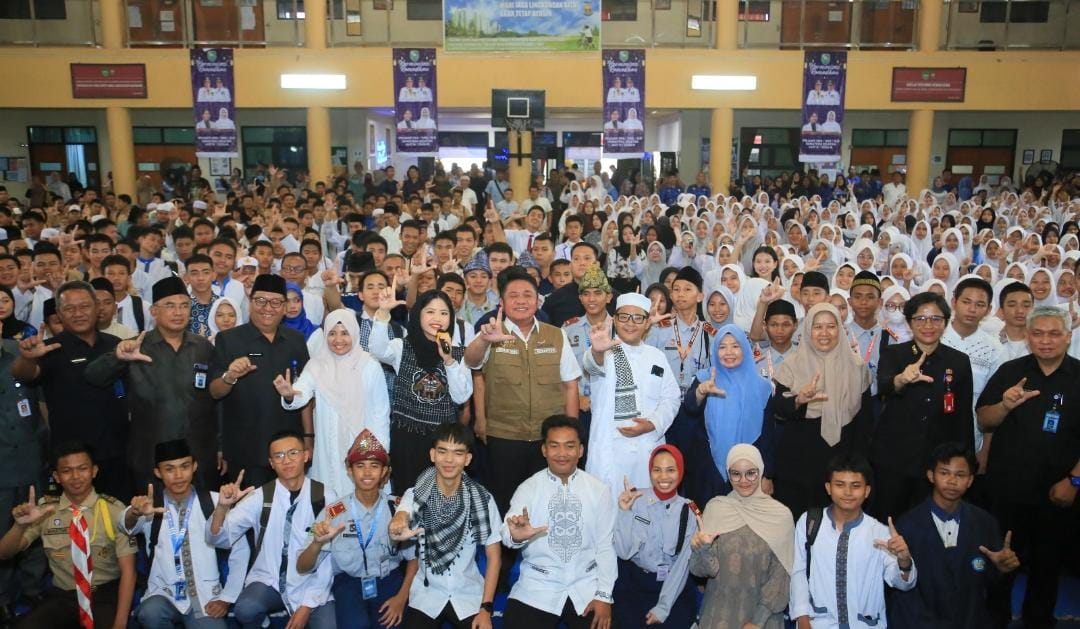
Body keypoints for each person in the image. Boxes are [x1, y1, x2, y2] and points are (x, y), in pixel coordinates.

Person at [977, 306, 1080, 629]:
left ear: (1068, 336)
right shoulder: (1011, 371)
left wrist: (1075, 481)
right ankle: (995, 619)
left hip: (1059, 491)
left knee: (1047, 566)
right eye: (1038, 333)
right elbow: (984, 419)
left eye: (1054, 334)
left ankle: (1039, 621)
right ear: (1028, 337)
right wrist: (1004, 405)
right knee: (1001, 561)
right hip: (1008, 488)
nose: (1045, 341)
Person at [464, 267, 581, 516]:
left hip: (547, 438)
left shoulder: (556, 335)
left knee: (547, 504)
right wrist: (484, 340)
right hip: (504, 435)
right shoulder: (491, 332)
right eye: (513, 295)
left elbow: (570, 384)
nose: (521, 301)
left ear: (538, 300)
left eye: (527, 295)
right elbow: (471, 362)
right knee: (505, 503)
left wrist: (571, 431)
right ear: (502, 302)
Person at [85, 276, 219, 490]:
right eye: (170, 306)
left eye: (184, 305)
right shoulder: (135, 346)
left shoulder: (203, 347)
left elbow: (217, 398)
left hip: (198, 455)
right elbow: (93, 376)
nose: (178, 312)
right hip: (149, 456)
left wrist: (220, 446)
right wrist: (117, 358)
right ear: (154, 311)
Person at [12, 281, 130, 500]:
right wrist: (27, 358)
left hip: (117, 451)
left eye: (84, 306)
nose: (78, 314)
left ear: (97, 307)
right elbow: (25, 375)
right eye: (69, 308)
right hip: (71, 460)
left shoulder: (115, 345)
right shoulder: (50, 348)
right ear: (59, 313)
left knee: (118, 516)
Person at [0, 441, 136, 629]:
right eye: (66, 471)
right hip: (63, 595)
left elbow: (129, 571)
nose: (75, 477)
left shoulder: (115, 510)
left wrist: (120, 624)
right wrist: (19, 526)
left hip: (104, 594)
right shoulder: (46, 510)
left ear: (94, 471)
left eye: (82, 469)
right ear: (56, 476)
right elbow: (4, 553)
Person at [208, 430, 337, 629]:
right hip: (269, 580)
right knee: (246, 609)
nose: (286, 460)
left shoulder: (326, 496)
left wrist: (307, 605)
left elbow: (329, 558)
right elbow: (219, 539)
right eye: (279, 456)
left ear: (305, 455)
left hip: (312, 582)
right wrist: (222, 508)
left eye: (293, 453)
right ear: (271, 463)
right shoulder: (260, 496)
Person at [500, 415, 615, 629]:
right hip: (537, 587)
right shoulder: (528, 488)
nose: (562, 454)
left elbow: (605, 547)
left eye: (570, 446)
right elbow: (508, 529)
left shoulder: (599, 490)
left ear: (581, 450)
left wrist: (604, 596)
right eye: (554, 446)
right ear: (544, 450)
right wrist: (515, 536)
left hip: (586, 587)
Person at [296, 430, 419, 629]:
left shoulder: (398, 510)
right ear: (350, 470)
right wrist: (317, 544)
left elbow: (414, 559)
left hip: (389, 581)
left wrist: (402, 597)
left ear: (384, 471)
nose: (367, 473)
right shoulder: (332, 513)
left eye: (374, 466)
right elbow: (302, 567)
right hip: (349, 584)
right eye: (360, 466)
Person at [889, 442, 1020, 628]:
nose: (952, 481)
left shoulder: (985, 523)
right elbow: (901, 591)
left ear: (970, 480)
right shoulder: (907, 525)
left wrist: (1001, 569)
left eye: (960, 475)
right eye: (944, 473)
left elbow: (990, 586)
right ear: (931, 476)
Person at [122, 440, 248, 628]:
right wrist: (134, 512)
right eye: (169, 469)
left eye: (185, 466)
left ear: (194, 467)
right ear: (158, 472)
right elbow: (124, 525)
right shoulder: (149, 506)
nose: (179, 475)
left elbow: (241, 549)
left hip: (205, 598)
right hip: (163, 594)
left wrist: (227, 597)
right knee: (150, 614)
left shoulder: (216, 502)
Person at [387, 423, 500, 629]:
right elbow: (401, 517)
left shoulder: (483, 499)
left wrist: (486, 608)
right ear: (433, 455)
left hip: (468, 594)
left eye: (458, 453)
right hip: (426, 594)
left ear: (467, 459)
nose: (449, 460)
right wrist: (398, 523)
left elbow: (494, 557)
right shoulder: (416, 494)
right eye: (442, 451)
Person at [873, 291, 974, 521]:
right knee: (889, 520)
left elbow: (963, 417)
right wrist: (902, 379)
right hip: (894, 458)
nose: (928, 325)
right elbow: (885, 386)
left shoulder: (958, 361)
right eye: (920, 318)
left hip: (938, 462)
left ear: (945, 322)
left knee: (930, 523)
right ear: (909, 323)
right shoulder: (894, 354)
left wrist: (965, 461)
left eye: (936, 319)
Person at [789, 454, 917, 628]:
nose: (848, 492)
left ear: (867, 491)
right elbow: (798, 572)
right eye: (840, 485)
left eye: (855, 486)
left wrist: (904, 561)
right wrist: (802, 618)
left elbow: (902, 584)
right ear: (828, 488)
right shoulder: (809, 522)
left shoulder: (880, 532)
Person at [272, 309, 390, 498]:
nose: (338, 340)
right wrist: (289, 395)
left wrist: (379, 452)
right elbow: (301, 393)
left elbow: (380, 413)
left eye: (345, 333)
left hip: (362, 442)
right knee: (330, 497)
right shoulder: (316, 365)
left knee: (362, 495)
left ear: (354, 333)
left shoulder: (370, 366)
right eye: (332, 333)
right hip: (328, 446)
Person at [771, 303, 873, 521]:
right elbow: (778, 409)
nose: (824, 333)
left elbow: (865, 422)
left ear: (840, 329)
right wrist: (798, 400)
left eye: (831, 326)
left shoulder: (857, 367)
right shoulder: (792, 365)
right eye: (817, 327)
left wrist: (858, 468)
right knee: (799, 525)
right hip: (798, 462)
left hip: (842, 464)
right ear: (808, 330)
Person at [210, 274, 311, 487]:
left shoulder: (296, 340)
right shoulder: (228, 339)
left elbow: (307, 394)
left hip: (288, 449)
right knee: (248, 505)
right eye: (261, 301)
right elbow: (215, 392)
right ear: (250, 303)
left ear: (285, 307)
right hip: (245, 448)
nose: (267, 308)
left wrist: (309, 438)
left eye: (276, 302)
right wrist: (230, 376)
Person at [368, 289, 472, 492]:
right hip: (406, 439)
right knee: (406, 494)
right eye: (430, 312)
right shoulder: (402, 346)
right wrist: (382, 313)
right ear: (418, 315)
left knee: (439, 495)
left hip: (443, 443)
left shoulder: (458, 353)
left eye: (444, 313)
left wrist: (448, 360)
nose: (437, 318)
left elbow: (461, 397)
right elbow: (378, 350)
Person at [582, 292, 680, 497]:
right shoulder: (606, 350)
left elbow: (671, 398)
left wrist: (652, 424)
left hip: (647, 448)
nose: (630, 323)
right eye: (624, 317)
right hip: (610, 453)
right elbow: (592, 365)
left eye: (637, 318)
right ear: (615, 320)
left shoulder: (657, 356)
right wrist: (597, 351)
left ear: (647, 323)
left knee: (646, 508)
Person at [690, 444, 793, 629]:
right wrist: (702, 549)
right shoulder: (716, 509)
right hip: (717, 616)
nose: (743, 480)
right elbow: (701, 571)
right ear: (728, 475)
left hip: (764, 620)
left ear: (760, 471)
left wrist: (758, 621)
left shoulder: (779, 516)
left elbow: (781, 576)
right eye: (736, 474)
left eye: (751, 473)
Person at [674, 323, 774, 507]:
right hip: (708, 469)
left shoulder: (761, 387)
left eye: (735, 346)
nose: (729, 352)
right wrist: (700, 392)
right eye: (722, 347)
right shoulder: (705, 378)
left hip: (748, 471)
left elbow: (768, 435)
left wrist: (767, 475)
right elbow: (689, 408)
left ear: (745, 349)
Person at [613, 444, 698, 628]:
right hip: (634, 585)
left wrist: (663, 608)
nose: (663, 477)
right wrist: (624, 513)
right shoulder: (635, 500)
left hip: (673, 588)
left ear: (681, 471)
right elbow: (624, 553)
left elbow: (682, 565)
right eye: (657, 470)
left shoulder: (689, 511)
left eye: (670, 470)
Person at [646, 266, 715, 394]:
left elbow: (713, 371)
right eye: (676, 289)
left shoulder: (709, 333)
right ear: (671, 296)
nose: (681, 294)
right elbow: (647, 364)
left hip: (697, 398)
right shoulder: (659, 329)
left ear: (700, 296)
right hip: (665, 397)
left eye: (687, 289)